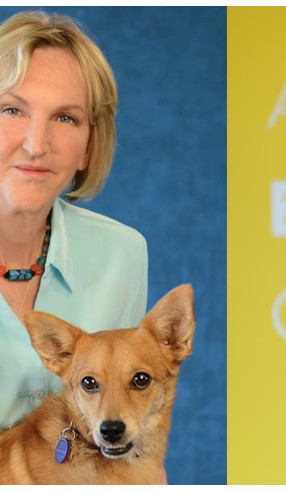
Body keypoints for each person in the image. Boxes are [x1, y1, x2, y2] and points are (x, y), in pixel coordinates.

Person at [0, 11, 147, 440]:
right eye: (11, 110)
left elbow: (125, 420)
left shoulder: (122, 253)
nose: (36, 145)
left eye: (66, 118)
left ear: (88, 146)